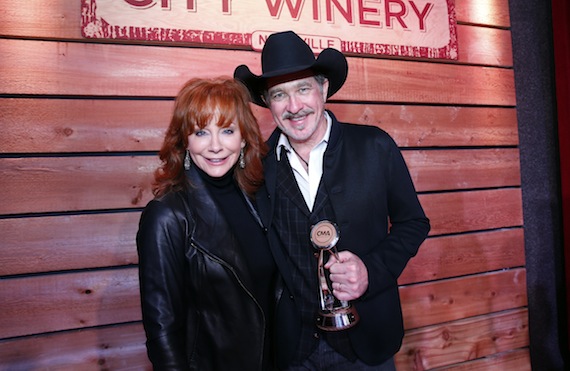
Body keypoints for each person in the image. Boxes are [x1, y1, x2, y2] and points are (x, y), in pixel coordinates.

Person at [234, 31, 430, 370]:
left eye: (303, 88)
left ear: (324, 88)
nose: (294, 107)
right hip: (293, 351)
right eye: (280, 94)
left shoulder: (375, 147)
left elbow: (413, 223)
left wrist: (371, 270)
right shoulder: (256, 169)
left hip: (368, 346)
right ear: (267, 101)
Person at [136, 77, 276, 370]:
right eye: (201, 132)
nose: (215, 146)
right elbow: (162, 329)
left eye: (226, 130)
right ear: (184, 140)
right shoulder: (166, 216)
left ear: (244, 137)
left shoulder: (259, 198)